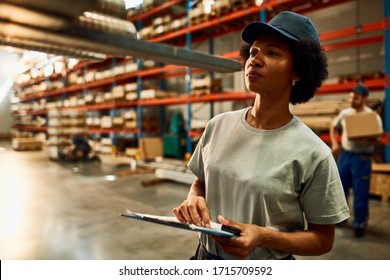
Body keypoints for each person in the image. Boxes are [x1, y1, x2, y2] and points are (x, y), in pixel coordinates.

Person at [173, 11, 350, 260]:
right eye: (254, 51)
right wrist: (193, 199)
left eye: (273, 52)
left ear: (298, 72)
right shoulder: (218, 125)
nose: (255, 60)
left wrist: (265, 236)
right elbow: (201, 182)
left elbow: (323, 238)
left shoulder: (313, 153)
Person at [330, 84, 383, 237]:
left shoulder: (372, 116)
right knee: (341, 189)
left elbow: (378, 139)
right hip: (346, 156)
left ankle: (360, 222)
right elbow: (334, 127)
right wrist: (335, 143)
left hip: (362, 158)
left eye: (356, 98)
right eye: (351, 97)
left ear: (364, 98)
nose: (352, 100)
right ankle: (341, 218)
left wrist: (365, 139)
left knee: (360, 193)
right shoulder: (345, 113)